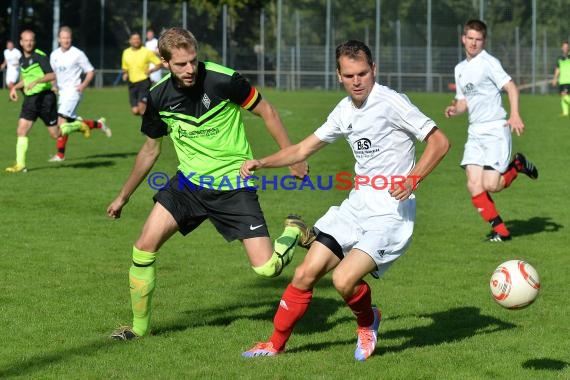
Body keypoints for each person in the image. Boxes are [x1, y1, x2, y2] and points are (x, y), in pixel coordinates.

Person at [241, 40, 450, 361]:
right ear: (339, 75)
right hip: (356, 206)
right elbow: (301, 150)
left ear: (374, 70)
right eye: (350, 75)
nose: (357, 80)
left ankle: (368, 322)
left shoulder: (391, 102)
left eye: (363, 73)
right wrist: (262, 162)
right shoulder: (343, 110)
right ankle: (274, 345)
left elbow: (439, 141)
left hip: (390, 214)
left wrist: (413, 178)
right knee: (304, 274)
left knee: (342, 280)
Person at [107, 27, 311, 340]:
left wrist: (292, 156)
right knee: (143, 248)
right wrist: (123, 196)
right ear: (164, 63)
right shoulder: (158, 97)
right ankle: (137, 329)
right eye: (180, 64)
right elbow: (150, 150)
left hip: (233, 185)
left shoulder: (223, 79)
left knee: (267, 269)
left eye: (192, 61)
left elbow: (267, 111)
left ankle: (293, 231)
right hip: (188, 185)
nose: (190, 69)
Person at [444, 19, 538, 242]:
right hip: (474, 132)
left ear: (483, 41)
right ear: (463, 39)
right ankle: (501, 231)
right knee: (473, 183)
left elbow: (511, 87)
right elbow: (462, 102)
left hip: (496, 128)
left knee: (491, 185)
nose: (473, 43)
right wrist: (454, 109)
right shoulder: (460, 69)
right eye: (470, 38)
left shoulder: (489, 62)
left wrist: (514, 114)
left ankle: (517, 165)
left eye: (478, 39)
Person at [5, 30, 87, 173]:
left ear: (34, 42)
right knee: (21, 130)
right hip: (30, 100)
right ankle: (20, 164)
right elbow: (26, 79)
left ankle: (79, 125)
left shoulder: (40, 57)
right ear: (21, 42)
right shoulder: (22, 60)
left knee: (55, 134)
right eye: (26, 40)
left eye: (31, 40)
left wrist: (37, 81)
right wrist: (14, 89)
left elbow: (51, 75)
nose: (28, 43)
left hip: (45, 99)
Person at [49, 26, 112, 162]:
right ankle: (99, 124)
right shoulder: (54, 55)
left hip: (73, 92)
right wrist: (53, 86)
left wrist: (83, 85)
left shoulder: (78, 53)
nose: (66, 40)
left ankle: (60, 155)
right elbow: (53, 74)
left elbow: (90, 71)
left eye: (68, 38)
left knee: (61, 123)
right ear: (59, 39)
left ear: (71, 39)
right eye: (63, 38)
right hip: (62, 93)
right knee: (69, 122)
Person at [121, 31, 162, 116]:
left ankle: (149, 127)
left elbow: (159, 63)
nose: (136, 41)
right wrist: (125, 74)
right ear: (130, 41)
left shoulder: (146, 52)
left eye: (138, 39)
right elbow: (125, 67)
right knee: (135, 111)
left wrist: (151, 70)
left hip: (144, 82)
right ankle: (154, 116)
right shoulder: (126, 52)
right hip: (132, 83)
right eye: (134, 39)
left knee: (141, 107)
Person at [551, 40, 570, 116]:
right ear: (562, 48)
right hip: (562, 80)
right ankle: (565, 113)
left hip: (568, 80)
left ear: (569, 48)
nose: (565, 48)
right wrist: (555, 79)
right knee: (562, 96)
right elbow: (558, 69)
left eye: (567, 47)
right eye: (564, 47)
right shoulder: (559, 58)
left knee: (564, 95)